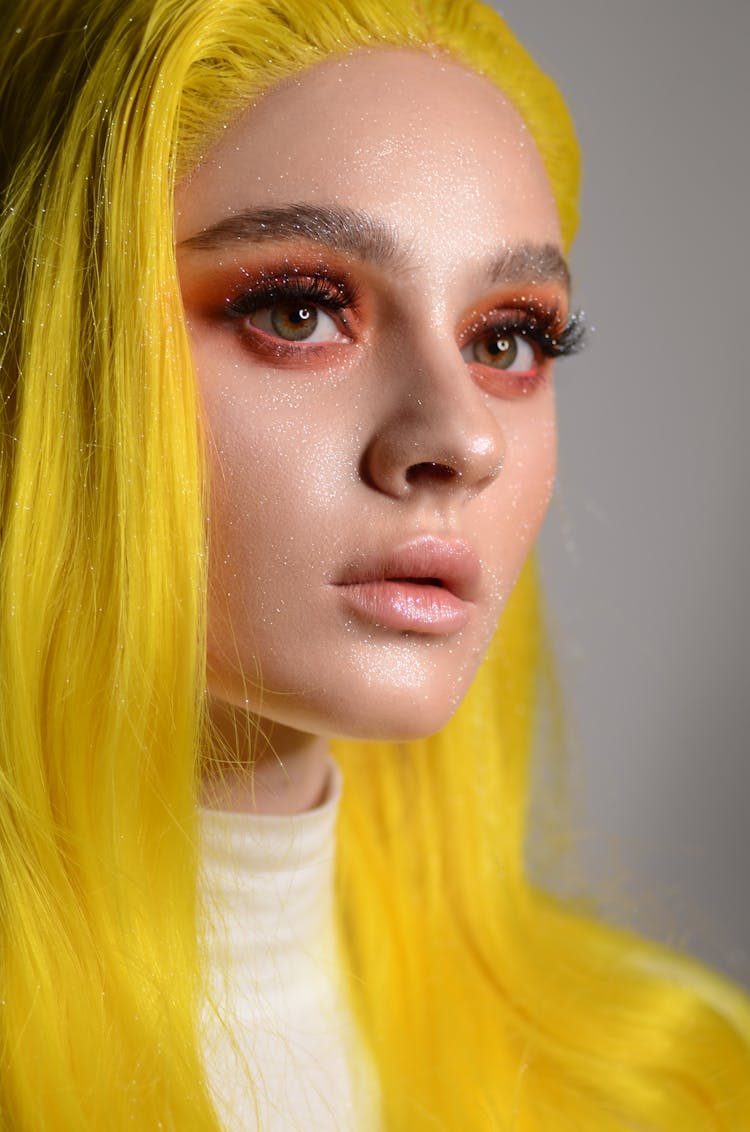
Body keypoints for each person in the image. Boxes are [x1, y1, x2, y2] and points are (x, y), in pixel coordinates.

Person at [0, 1, 748, 1130]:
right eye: (297, 310)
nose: (462, 439)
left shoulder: (676, 1082)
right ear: (34, 343)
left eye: (508, 338)